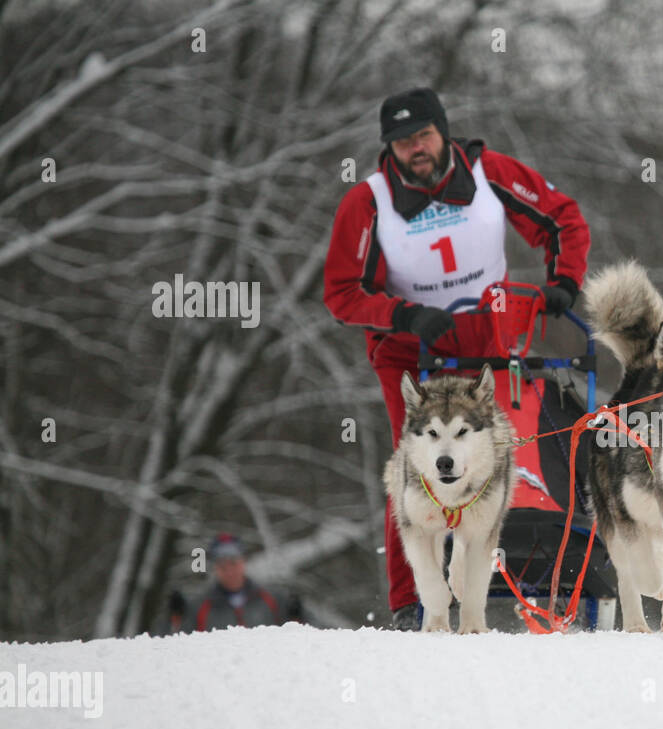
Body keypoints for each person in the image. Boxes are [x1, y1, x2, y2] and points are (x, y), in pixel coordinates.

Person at [323, 87, 591, 629]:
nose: (414, 149)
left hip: (486, 340)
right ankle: (409, 601)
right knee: (414, 467)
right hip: (409, 348)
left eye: (422, 135)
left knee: (494, 458)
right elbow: (341, 292)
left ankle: (510, 574)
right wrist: (401, 314)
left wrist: (563, 280)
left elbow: (561, 217)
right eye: (401, 142)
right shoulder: (367, 202)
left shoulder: (488, 172)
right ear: (388, 149)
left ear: (443, 132)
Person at [163, 533, 303, 632]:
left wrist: (298, 615)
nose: (229, 571)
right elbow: (172, 646)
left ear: (243, 561)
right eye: (222, 565)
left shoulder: (272, 600)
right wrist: (174, 617)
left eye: (233, 563)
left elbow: (309, 637)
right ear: (215, 567)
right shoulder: (199, 607)